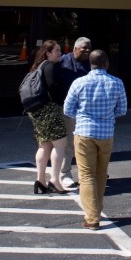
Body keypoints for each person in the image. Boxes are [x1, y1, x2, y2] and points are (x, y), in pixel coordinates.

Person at [63, 48, 128, 231]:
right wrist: (107, 115)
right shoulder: (116, 82)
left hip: (84, 132)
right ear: (106, 63)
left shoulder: (79, 82)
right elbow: (122, 110)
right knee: (101, 173)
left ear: (89, 63)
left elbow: (67, 109)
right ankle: (96, 210)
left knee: (86, 175)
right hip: (106, 133)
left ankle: (92, 217)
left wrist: (82, 116)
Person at [26, 40, 69, 195]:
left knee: (44, 145)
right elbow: (53, 88)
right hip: (48, 109)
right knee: (60, 143)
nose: (60, 53)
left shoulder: (37, 67)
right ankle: (55, 180)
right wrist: (64, 100)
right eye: (57, 50)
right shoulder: (50, 66)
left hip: (36, 110)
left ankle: (40, 180)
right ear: (48, 53)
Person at [54, 36, 91, 188]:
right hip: (67, 108)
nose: (87, 51)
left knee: (88, 141)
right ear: (75, 48)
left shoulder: (91, 65)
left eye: (89, 48)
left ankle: (89, 172)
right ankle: (65, 173)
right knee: (70, 141)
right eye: (84, 48)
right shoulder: (62, 62)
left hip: (87, 109)